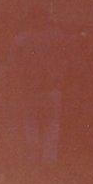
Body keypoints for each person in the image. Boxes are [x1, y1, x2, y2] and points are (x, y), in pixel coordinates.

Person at [7, 9, 75, 166]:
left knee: (31, 124)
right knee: (52, 125)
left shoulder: (21, 40)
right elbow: (68, 59)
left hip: (30, 88)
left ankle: (33, 160)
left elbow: (13, 65)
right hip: (52, 87)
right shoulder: (57, 38)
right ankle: (48, 162)